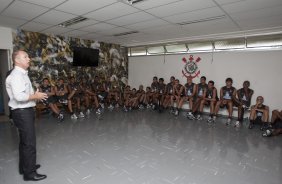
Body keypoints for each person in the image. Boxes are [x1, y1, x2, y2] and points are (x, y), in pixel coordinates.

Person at [5, 50, 48, 181]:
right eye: (25, 57)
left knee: (24, 142)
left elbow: (23, 93)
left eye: (28, 56)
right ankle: (29, 173)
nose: (29, 59)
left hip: (23, 112)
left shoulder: (22, 74)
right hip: (23, 113)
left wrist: (34, 95)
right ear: (17, 60)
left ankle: (24, 167)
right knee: (29, 143)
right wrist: (35, 96)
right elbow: (19, 97)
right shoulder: (17, 75)